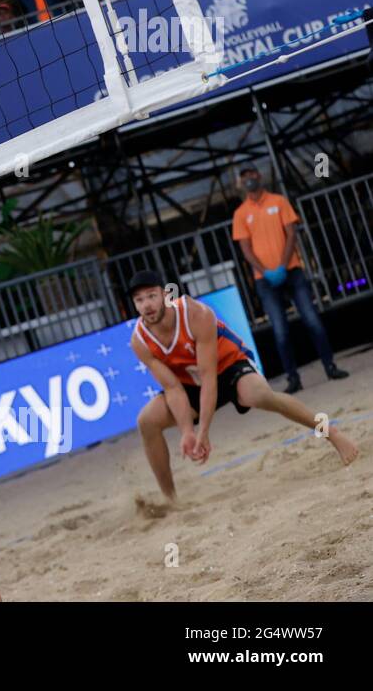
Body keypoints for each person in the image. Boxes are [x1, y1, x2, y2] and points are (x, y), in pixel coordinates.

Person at [128, 271, 358, 504]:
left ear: (166, 295)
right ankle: (171, 500)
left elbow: (209, 377)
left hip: (229, 365)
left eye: (151, 296)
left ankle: (332, 433)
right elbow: (173, 389)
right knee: (146, 421)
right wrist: (187, 431)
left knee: (260, 396)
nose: (146, 305)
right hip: (190, 383)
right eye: (139, 300)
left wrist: (203, 432)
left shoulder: (196, 313)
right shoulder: (139, 340)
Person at [231, 165, 350, 393]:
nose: (249, 178)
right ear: (240, 181)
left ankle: (331, 366)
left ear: (259, 174)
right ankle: (292, 379)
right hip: (264, 279)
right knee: (280, 331)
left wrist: (283, 266)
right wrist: (266, 271)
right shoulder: (240, 213)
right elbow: (245, 249)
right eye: (244, 175)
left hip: (293, 270)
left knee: (312, 320)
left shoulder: (279, 200)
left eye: (251, 173)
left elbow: (292, 233)